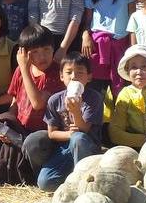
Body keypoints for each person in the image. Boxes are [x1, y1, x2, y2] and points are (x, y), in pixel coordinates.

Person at [0, 24, 64, 186]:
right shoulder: (21, 70)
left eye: (46, 50)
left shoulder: (56, 73)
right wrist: (7, 124)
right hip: (20, 132)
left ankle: (37, 172)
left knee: (33, 142)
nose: (42, 56)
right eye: (35, 52)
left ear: (53, 49)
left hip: (43, 135)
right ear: (24, 53)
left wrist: (24, 67)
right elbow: (15, 99)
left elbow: (37, 103)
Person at [24, 54, 103, 191]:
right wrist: (69, 134)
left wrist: (76, 112)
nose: (74, 76)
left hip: (87, 147)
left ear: (89, 77)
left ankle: (83, 181)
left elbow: (84, 130)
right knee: (45, 183)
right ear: (61, 76)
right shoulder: (55, 100)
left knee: (78, 138)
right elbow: (52, 133)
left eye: (80, 72)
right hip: (63, 149)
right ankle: (67, 179)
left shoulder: (94, 98)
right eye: (69, 72)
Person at [81, 0, 133, 96]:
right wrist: (85, 36)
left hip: (120, 47)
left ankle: (120, 119)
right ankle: (96, 119)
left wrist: (132, 47)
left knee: (122, 92)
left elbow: (132, 21)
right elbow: (87, 22)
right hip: (97, 48)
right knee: (95, 91)